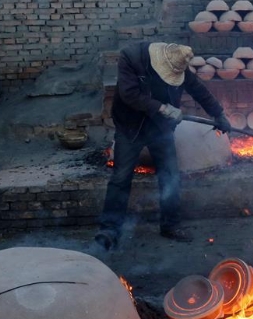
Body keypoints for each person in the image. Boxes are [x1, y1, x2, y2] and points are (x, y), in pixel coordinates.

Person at [95, 41, 231, 250]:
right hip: (130, 126)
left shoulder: (177, 62)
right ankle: (110, 230)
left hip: (159, 128)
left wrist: (218, 114)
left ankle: (170, 225)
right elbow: (129, 94)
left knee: (170, 175)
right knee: (121, 177)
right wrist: (162, 108)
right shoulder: (131, 57)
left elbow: (198, 90)